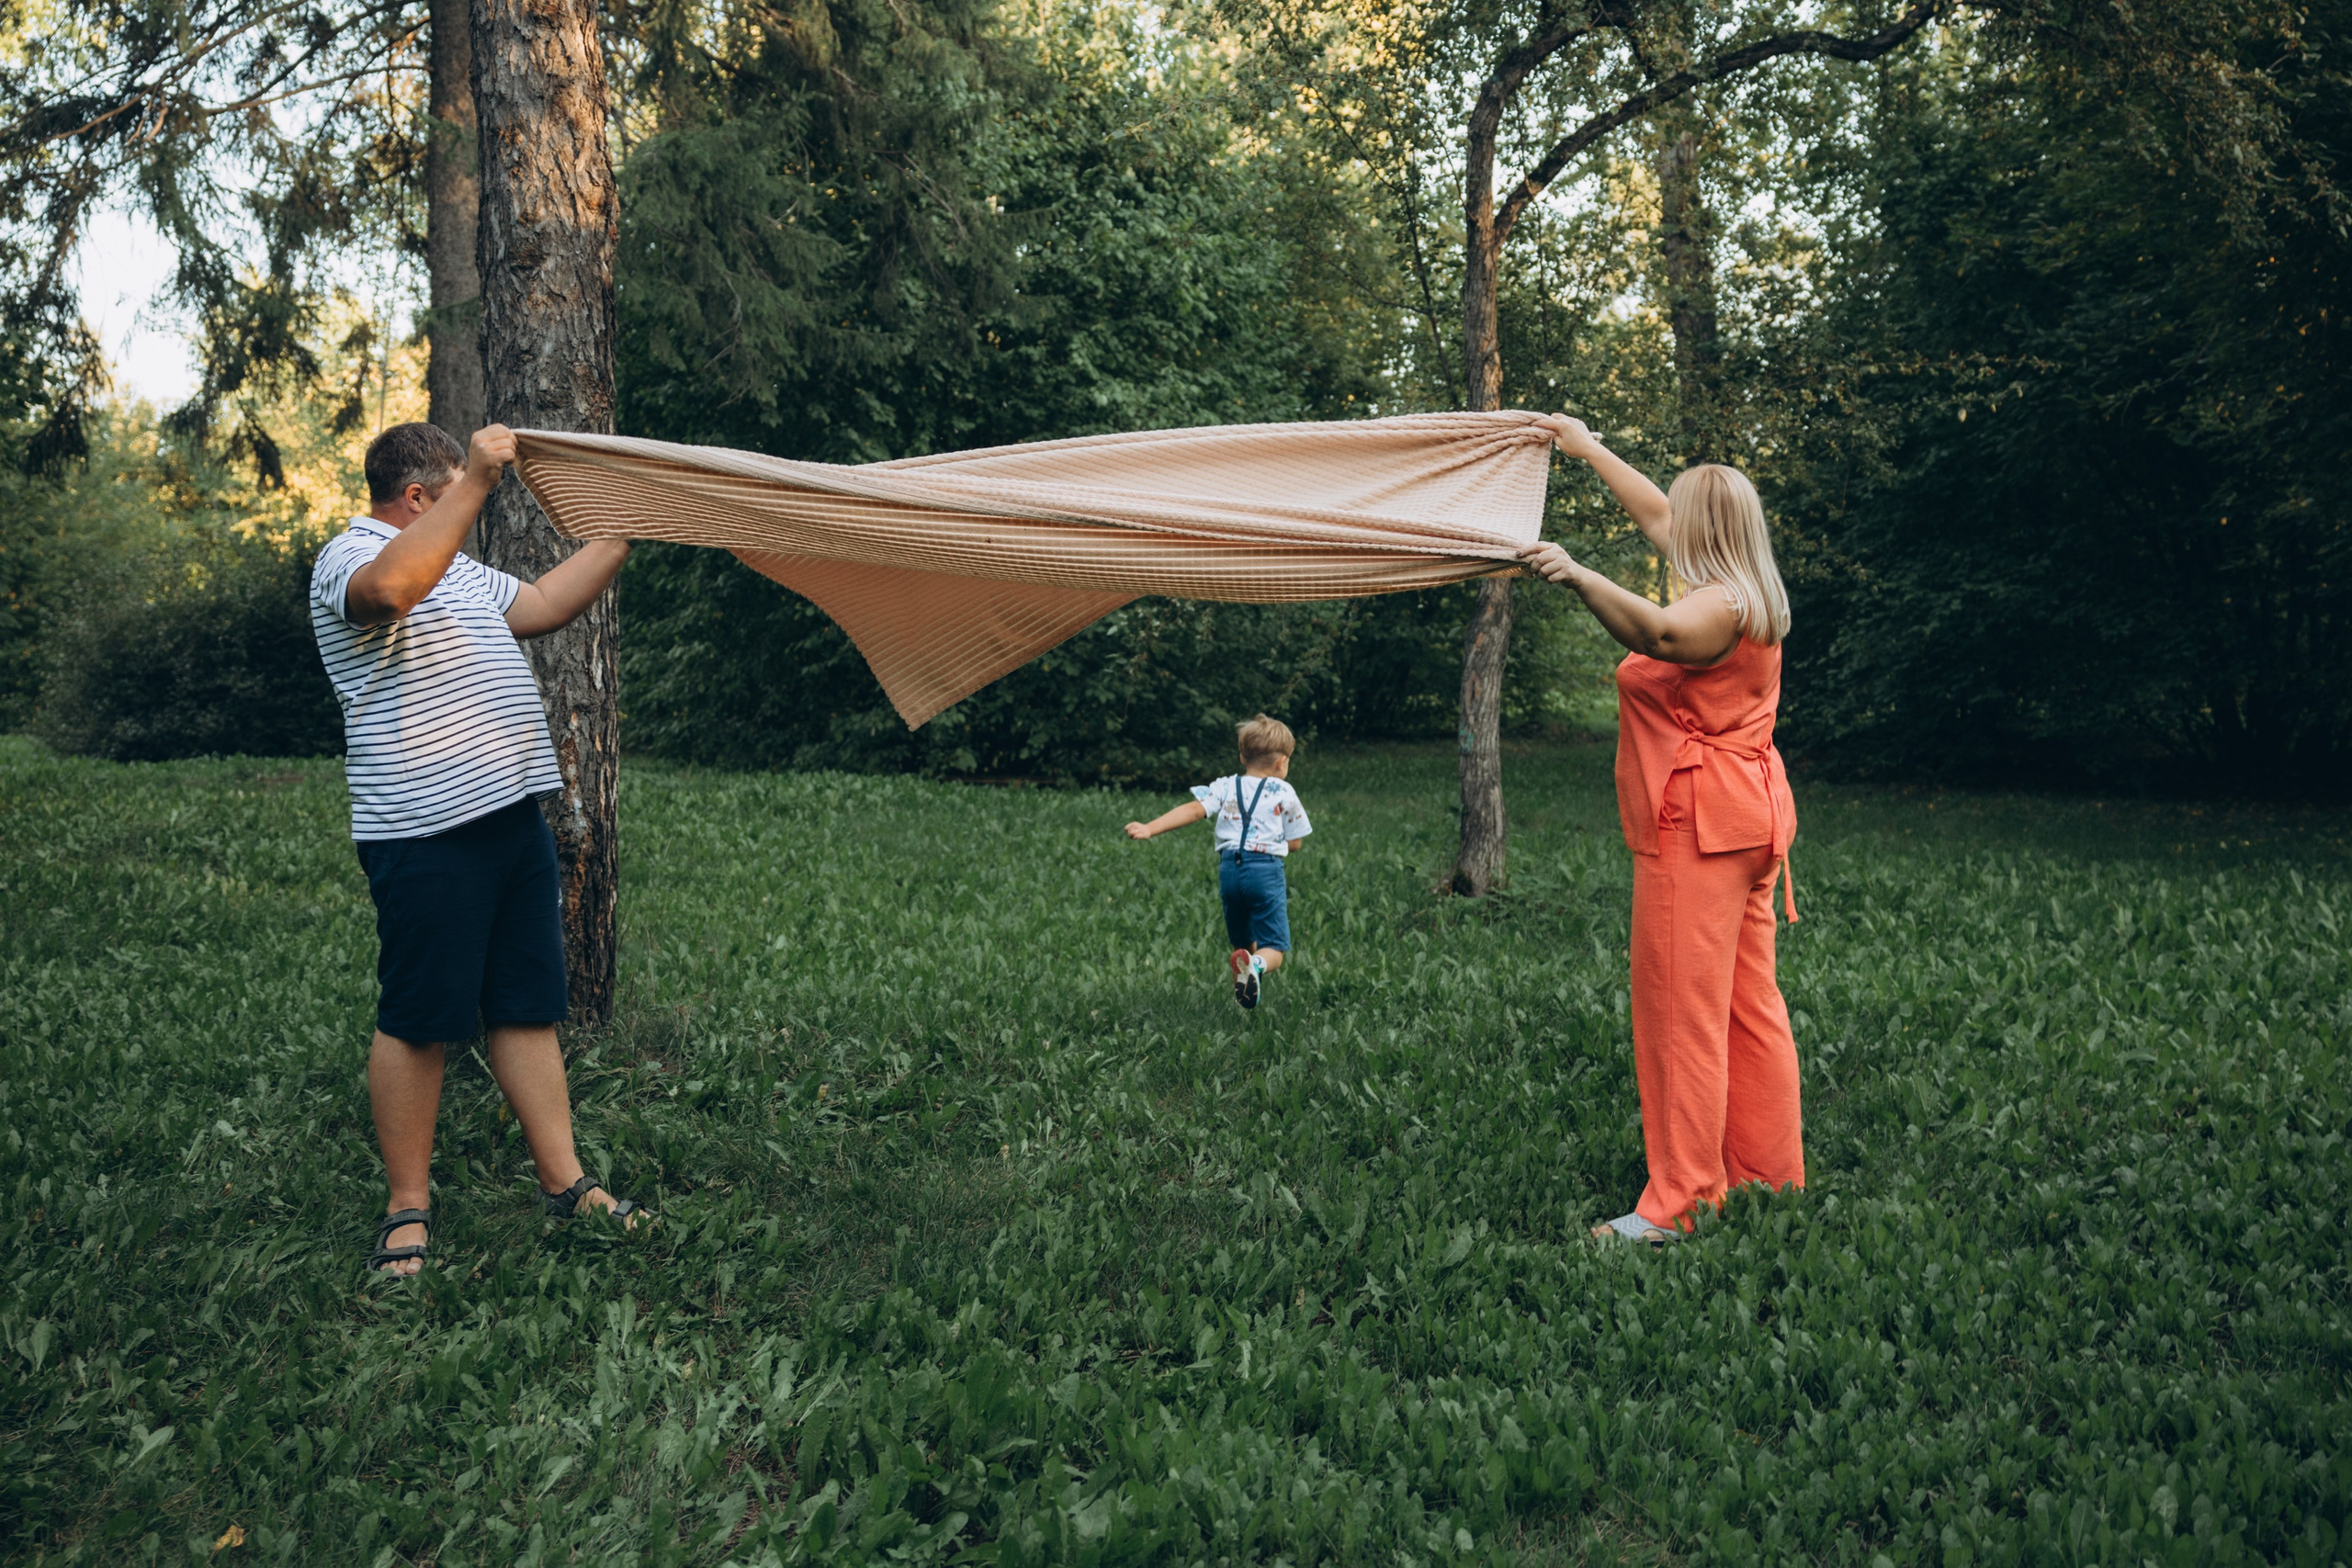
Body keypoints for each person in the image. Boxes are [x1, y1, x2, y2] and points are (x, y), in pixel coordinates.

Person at [311, 421, 647, 1276]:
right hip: (424, 831)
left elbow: (538, 604)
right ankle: (405, 1210)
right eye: (455, 487)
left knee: (525, 1006)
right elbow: (390, 592)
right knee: (421, 1019)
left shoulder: (456, 560)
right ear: (420, 495)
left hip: (509, 821)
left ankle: (567, 1185)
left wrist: (620, 532)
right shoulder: (345, 557)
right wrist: (479, 483)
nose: (472, 499)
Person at [1518, 416, 1804, 1246]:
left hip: (1700, 827)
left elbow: (1656, 633)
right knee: (1749, 1005)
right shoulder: (1752, 586)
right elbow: (1656, 515)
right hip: (1747, 819)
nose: (1665, 527)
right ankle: (1769, 1174)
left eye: (1683, 518)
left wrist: (1575, 574)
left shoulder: (1717, 608)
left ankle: (1680, 1202)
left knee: (1681, 1013)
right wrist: (1588, 445)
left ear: (1706, 529)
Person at [1125, 715, 1313, 1010]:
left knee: (1242, 941)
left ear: (1242, 757)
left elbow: (1193, 810)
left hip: (1230, 873)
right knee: (1274, 946)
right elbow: (1296, 842)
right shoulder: (1284, 792)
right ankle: (1259, 966)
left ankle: (1247, 968)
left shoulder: (1225, 786)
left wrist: (1150, 827)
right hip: (1265, 872)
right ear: (1281, 763)